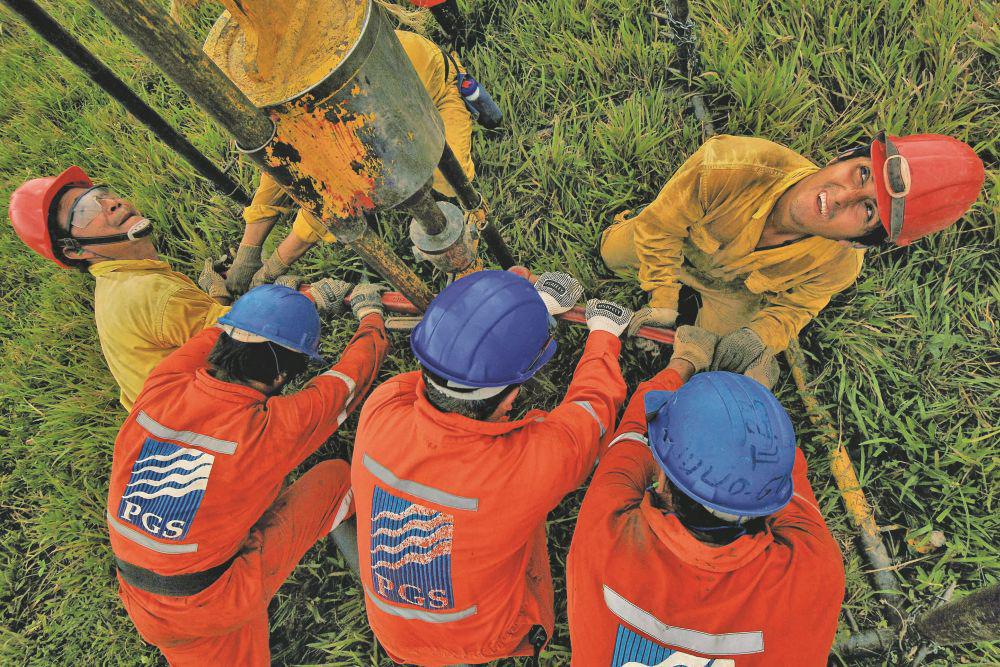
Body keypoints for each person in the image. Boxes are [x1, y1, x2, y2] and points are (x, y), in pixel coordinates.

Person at [350, 269, 632, 665]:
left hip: (393, 634)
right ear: (509, 396)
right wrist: (604, 333)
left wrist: (508, 332)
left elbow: (440, 375)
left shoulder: (380, 408)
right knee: (521, 513)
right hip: (490, 638)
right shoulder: (533, 465)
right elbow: (591, 412)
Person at [105, 282, 388, 666]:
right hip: (217, 599)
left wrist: (290, 304)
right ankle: (387, 577)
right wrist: (371, 314)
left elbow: (212, 334)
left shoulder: (161, 385)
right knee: (337, 477)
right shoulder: (272, 431)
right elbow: (349, 382)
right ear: (279, 379)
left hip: (144, 598)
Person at [601, 132, 985, 386]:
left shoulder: (840, 264)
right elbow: (659, 230)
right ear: (842, 157)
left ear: (861, 241)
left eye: (867, 211)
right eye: (861, 174)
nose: (840, 197)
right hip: (679, 244)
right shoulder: (728, 164)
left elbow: (796, 308)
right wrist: (663, 301)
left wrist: (758, 337)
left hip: (732, 292)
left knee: (716, 362)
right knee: (610, 254)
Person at [566, 339, 845, 666]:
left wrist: (685, 359)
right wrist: (754, 399)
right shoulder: (812, 574)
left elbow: (632, 436)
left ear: (663, 483)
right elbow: (782, 479)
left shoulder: (605, 533)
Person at [7, 167, 347, 411]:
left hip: (170, 409)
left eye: (100, 195)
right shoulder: (151, 294)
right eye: (84, 212)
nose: (110, 204)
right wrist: (304, 297)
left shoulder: (123, 278)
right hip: (209, 420)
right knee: (282, 312)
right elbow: (246, 335)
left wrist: (228, 286)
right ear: (74, 250)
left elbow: (193, 334)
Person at [221, 28, 477, 294]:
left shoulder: (354, 95)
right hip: (365, 102)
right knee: (289, 153)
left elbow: (337, 195)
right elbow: (278, 165)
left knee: (447, 178)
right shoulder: (297, 88)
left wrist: (274, 266)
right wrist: (247, 252)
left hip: (431, 93)